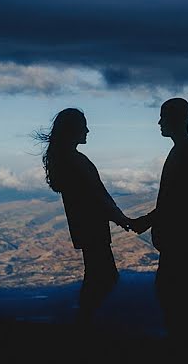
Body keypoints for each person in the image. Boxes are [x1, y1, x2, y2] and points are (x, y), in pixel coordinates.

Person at [35, 108, 133, 324]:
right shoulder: (75, 160)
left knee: (98, 274)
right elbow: (97, 195)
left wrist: (119, 217)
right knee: (105, 276)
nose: (88, 130)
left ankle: (84, 321)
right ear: (73, 129)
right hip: (92, 225)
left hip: (84, 225)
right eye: (83, 126)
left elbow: (95, 194)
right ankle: (83, 323)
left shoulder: (64, 159)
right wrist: (121, 218)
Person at [131, 97, 188, 340]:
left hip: (179, 234)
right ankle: (185, 341)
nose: (159, 122)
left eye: (164, 116)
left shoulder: (185, 152)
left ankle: (183, 343)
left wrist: (148, 220)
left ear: (176, 119)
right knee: (177, 291)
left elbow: (177, 201)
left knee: (173, 292)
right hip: (181, 232)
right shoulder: (186, 150)